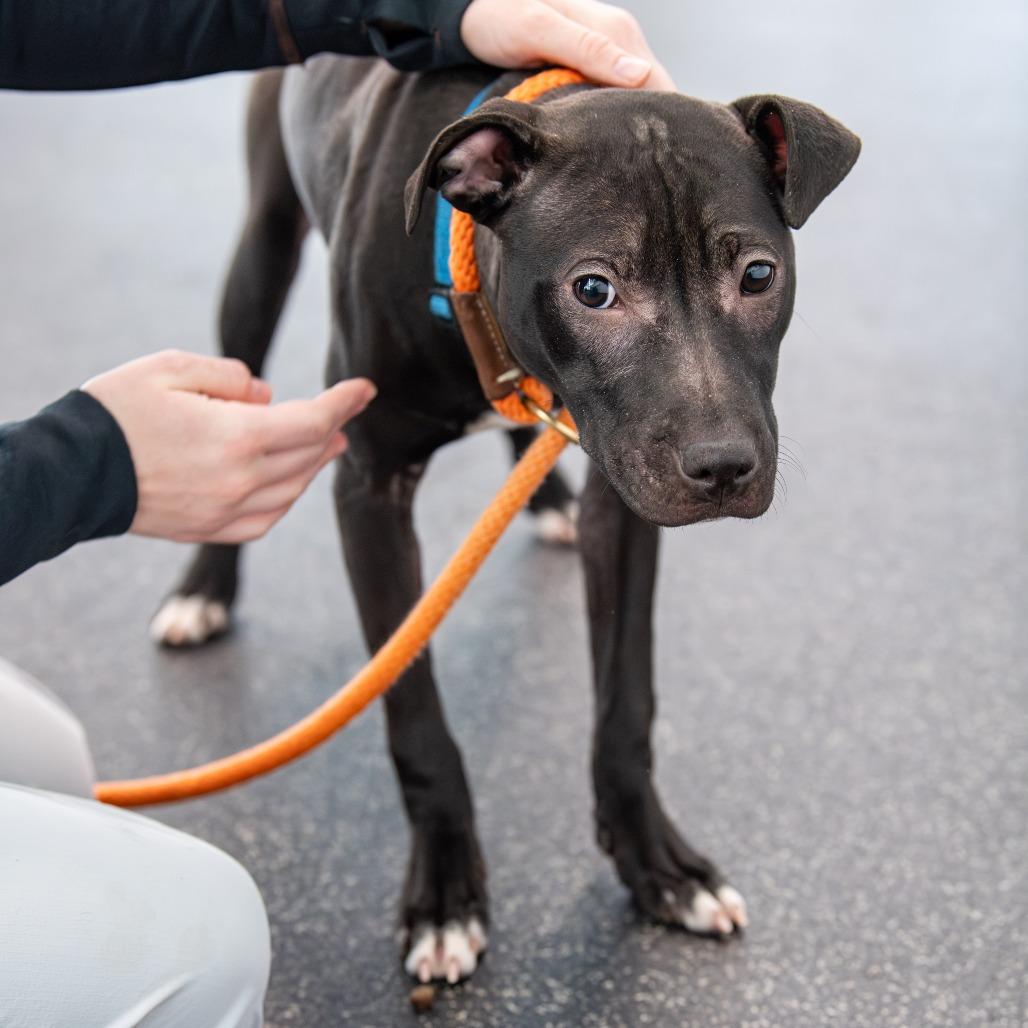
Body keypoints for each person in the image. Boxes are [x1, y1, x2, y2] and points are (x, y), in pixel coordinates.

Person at [0, 2, 673, 1024]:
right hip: (366, 190)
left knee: (50, 765)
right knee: (204, 931)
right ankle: (223, 571)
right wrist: (101, 462)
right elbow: (371, 483)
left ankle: (542, 475)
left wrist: (427, 10)